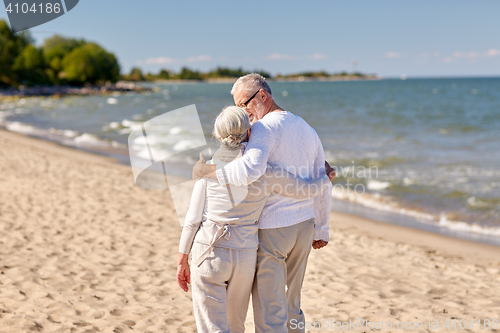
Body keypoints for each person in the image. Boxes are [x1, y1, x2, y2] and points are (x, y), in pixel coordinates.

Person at [193, 74, 335, 333]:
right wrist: (321, 228)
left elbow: (250, 171)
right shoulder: (306, 127)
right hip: (304, 226)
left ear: (262, 96)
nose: (243, 113)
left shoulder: (263, 128)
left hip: (273, 229)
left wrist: (210, 172)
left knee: (271, 311)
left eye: (243, 104)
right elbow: (322, 179)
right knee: (293, 302)